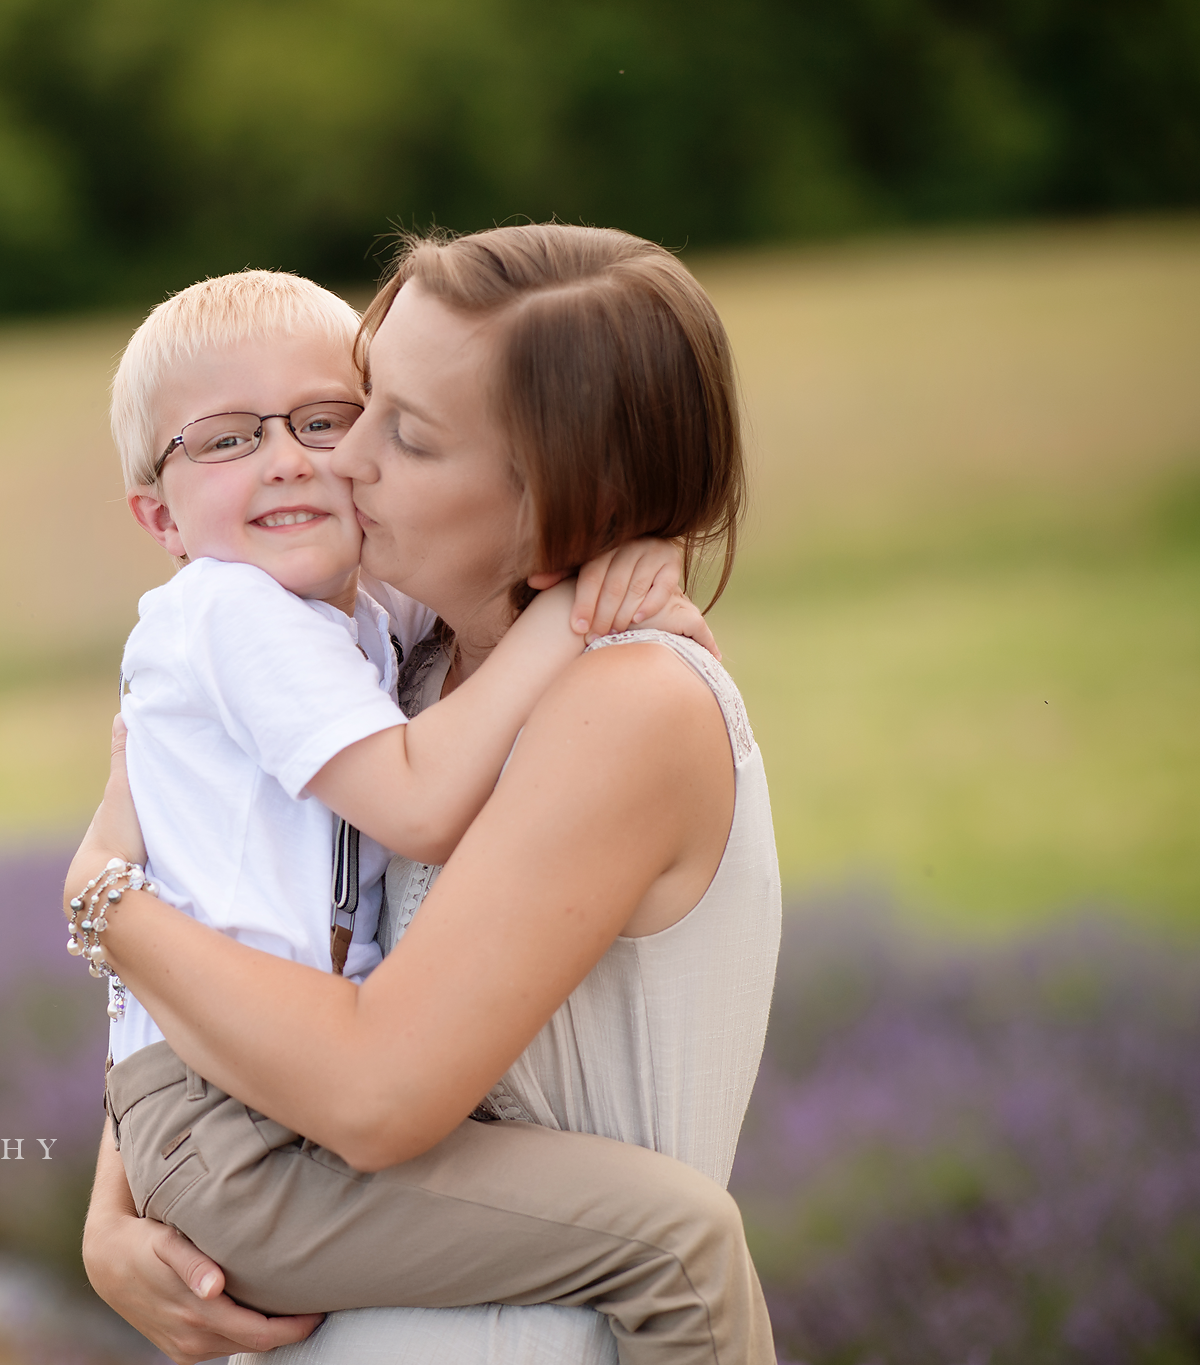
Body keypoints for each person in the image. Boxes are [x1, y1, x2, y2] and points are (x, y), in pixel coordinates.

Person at [71, 223, 782, 1365]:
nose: (334, 463)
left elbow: (372, 1089)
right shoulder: (399, 667)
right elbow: (254, 932)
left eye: (392, 431)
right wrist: (116, 1209)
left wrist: (104, 901)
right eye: (368, 400)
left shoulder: (625, 705)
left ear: (562, 491)